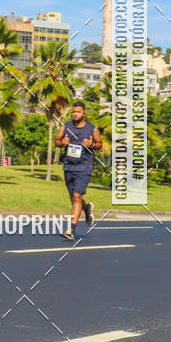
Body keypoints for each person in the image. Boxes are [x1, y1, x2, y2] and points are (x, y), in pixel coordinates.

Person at [55, 101, 102, 241]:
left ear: (84, 113)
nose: (75, 114)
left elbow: (100, 144)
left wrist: (92, 144)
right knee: (74, 199)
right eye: (74, 112)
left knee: (76, 197)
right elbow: (57, 140)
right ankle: (87, 209)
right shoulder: (66, 126)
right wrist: (62, 143)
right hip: (69, 167)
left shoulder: (92, 129)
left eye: (78, 112)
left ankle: (71, 230)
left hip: (84, 167)